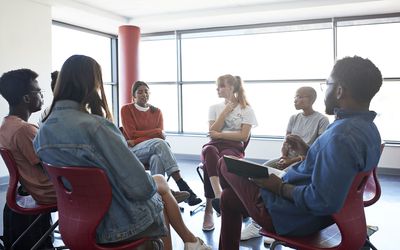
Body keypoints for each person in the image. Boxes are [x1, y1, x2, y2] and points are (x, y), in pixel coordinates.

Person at [33, 54, 211, 250]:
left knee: (158, 178)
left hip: (74, 223)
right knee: (160, 193)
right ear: (93, 84)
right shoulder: (98, 128)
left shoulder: (42, 133)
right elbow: (141, 189)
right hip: (117, 225)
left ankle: (190, 240)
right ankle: (191, 241)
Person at [218, 55, 383, 250]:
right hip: (326, 215)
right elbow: (338, 168)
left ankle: (248, 207)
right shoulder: (369, 129)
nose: (325, 90)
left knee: (224, 163)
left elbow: (322, 200)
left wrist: (278, 187)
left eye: (327, 84)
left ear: (339, 91)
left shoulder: (340, 136)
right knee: (228, 198)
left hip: (291, 216)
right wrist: (310, 152)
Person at [241, 86, 329, 241]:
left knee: (276, 181)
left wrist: (290, 161)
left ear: (312, 100)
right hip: (288, 158)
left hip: (305, 162)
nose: (297, 100)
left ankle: (271, 223)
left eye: (301, 97)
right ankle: (258, 222)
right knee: (260, 171)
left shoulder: (322, 120)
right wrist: (283, 157)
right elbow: (286, 141)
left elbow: (314, 153)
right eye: (296, 96)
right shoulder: (294, 118)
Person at [0, 69, 56, 249]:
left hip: (28, 189)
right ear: (26, 98)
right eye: (38, 92)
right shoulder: (25, 130)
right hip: (47, 192)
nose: (41, 95)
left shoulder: (6, 125)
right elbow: (53, 164)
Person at [120, 81, 202, 206]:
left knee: (157, 158)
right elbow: (132, 134)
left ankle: (158, 197)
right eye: (140, 92)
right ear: (134, 96)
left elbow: (158, 137)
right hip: (134, 151)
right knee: (159, 143)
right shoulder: (126, 109)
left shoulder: (157, 112)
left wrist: (138, 138)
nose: (144, 94)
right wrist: (156, 132)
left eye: (146, 91)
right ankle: (181, 184)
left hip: (149, 148)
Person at [201, 74, 257, 231]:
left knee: (220, 160)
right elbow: (212, 132)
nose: (217, 89)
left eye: (221, 86)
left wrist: (219, 135)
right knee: (209, 151)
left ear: (232, 88)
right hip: (214, 144)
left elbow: (243, 136)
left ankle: (209, 208)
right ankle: (218, 197)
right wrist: (225, 111)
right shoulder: (214, 108)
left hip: (234, 146)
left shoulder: (247, 109)